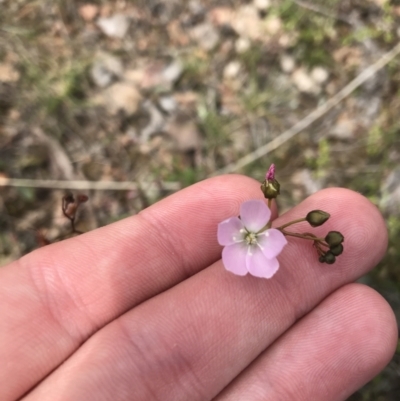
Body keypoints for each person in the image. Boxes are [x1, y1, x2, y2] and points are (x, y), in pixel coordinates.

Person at [0, 175, 397, 401]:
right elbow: (242, 233)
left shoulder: (265, 229)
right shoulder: (241, 229)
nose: (255, 235)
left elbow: (267, 236)